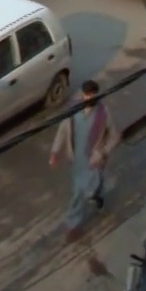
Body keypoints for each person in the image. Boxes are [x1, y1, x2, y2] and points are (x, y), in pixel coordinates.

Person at [49, 79, 119, 242]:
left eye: (91, 95)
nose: (88, 99)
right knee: (81, 191)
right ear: (83, 94)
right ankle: (82, 214)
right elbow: (62, 131)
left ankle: (79, 218)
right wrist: (54, 152)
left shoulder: (103, 113)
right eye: (86, 95)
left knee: (84, 191)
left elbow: (115, 136)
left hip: (93, 161)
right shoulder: (73, 110)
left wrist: (102, 153)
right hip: (77, 160)